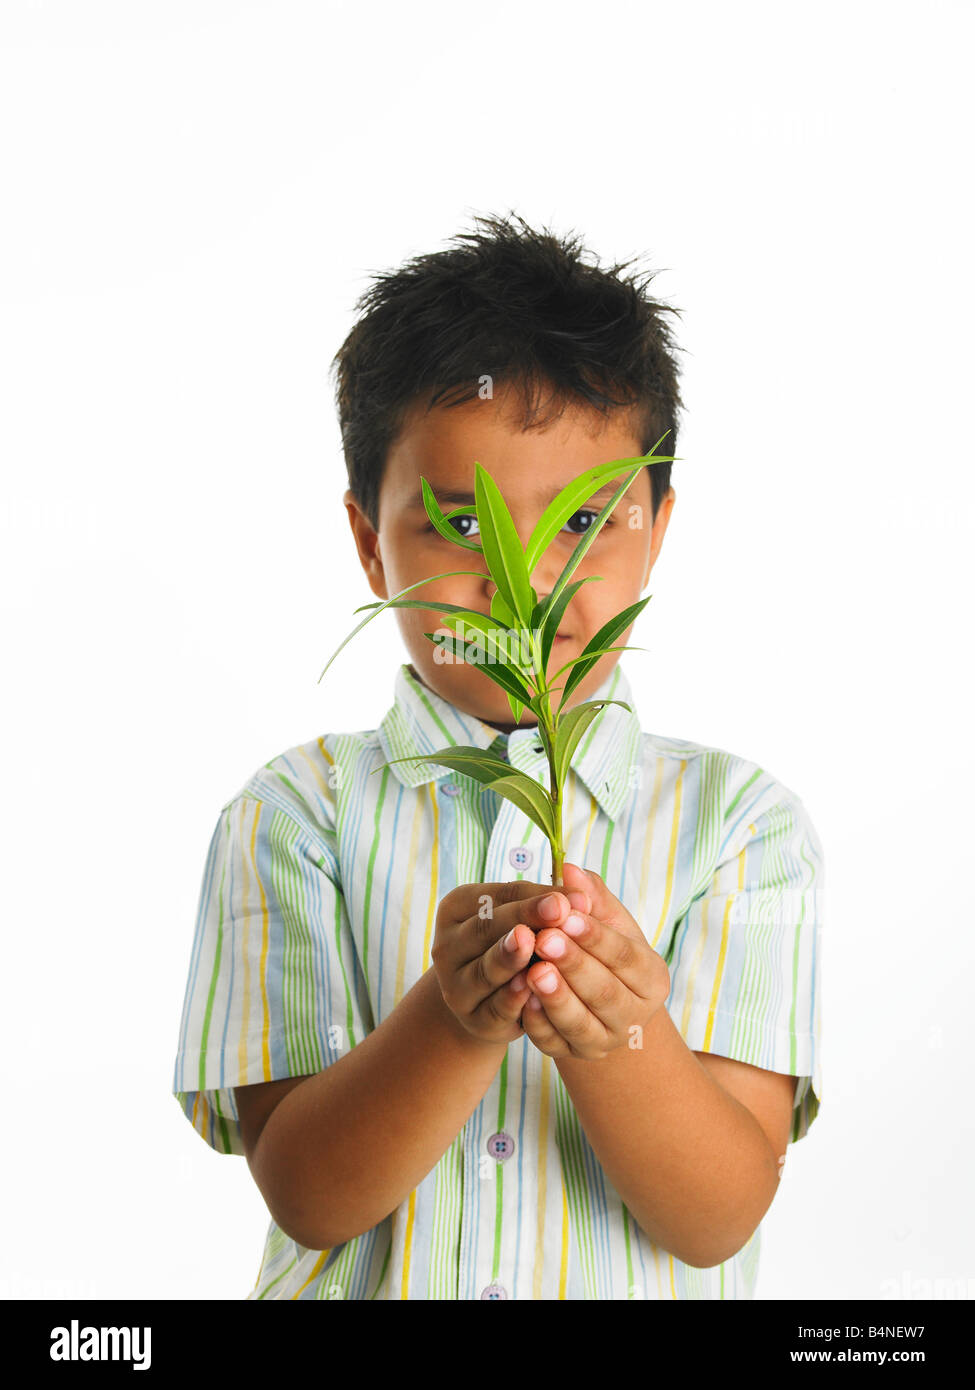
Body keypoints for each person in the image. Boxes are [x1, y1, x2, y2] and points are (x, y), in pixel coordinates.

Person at [172, 211, 824, 1300]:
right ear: (369, 541)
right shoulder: (294, 814)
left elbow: (719, 1214)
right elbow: (308, 1194)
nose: (528, 578)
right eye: (461, 527)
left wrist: (619, 1033)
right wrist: (451, 1014)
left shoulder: (742, 822)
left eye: (584, 521)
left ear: (657, 528)